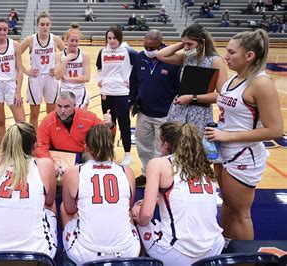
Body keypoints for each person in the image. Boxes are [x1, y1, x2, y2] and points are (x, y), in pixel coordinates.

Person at [205, 29, 283, 240]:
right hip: (224, 151)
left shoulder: (261, 83)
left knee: (240, 214)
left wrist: (226, 136)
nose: (226, 56)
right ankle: (228, 249)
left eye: (231, 52)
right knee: (227, 205)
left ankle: (245, 260)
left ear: (249, 56)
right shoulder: (233, 79)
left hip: (243, 155)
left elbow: (275, 130)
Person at [132, 122, 224, 266]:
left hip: (176, 252)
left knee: (136, 212)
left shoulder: (158, 164)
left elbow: (146, 216)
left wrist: (137, 212)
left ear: (165, 144)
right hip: (214, 249)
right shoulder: (202, 163)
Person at [0, 122, 58, 258]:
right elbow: (49, 200)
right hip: (36, 253)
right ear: (34, 145)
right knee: (51, 205)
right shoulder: (45, 164)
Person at [61, 124, 140, 264]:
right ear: (112, 146)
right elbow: (128, 206)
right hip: (126, 252)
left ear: (86, 146)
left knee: (63, 207)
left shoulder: (73, 172)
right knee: (127, 211)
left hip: (86, 253)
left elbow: (69, 209)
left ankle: (67, 258)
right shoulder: (127, 172)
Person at [156, 23, 228, 134]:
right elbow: (160, 55)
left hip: (199, 113)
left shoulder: (215, 61)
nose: (186, 47)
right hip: (179, 110)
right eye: (184, 44)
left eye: (190, 44)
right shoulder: (187, 57)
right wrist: (183, 43)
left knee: (193, 148)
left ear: (202, 42)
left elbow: (222, 95)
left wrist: (192, 98)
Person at [129, 30, 179, 185]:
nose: (148, 51)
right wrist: (132, 101)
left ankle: (161, 176)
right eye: (146, 47)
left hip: (164, 114)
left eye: (152, 48)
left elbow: (179, 87)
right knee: (143, 145)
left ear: (160, 44)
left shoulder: (172, 59)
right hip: (143, 111)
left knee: (162, 148)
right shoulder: (140, 57)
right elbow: (134, 81)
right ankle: (146, 172)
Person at [96, 25, 138, 165]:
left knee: (124, 124)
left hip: (122, 93)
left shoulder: (129, 51)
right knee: (108, 124)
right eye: (109, 38)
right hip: (107, 93)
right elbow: (100, 69)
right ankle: (108, 152)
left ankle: (127, 154)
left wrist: (132, 83)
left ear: (120, 38)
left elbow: (139, 69)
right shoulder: (103, 52)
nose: (112, 41)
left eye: (114, 38)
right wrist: (100, 80)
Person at [35, 91, 115, 160]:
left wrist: (110, 126)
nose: (62, 111)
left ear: (74, 105)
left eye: (66, 107)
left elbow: (105, 136)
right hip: (58, 156)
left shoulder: (88, 117)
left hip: (82, 156)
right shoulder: (48, 121)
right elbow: (40, 146)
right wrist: (50, 163)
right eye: (59, 106)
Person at [20, 12, 65, 129]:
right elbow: (15, 55)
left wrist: (58, 68)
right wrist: (26, 71)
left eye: (47, 24)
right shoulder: (30, 40)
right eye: (42, 24)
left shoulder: (55, 39)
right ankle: (33, 139)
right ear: (37, 25)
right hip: (36, 78)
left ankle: (50, 137)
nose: (45, 27)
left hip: (51, 78)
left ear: (50, 25)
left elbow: (67, 55)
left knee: (51, 113)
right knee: (34, 113)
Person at [54, 24, 91, 109]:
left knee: (81, 119)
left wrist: (69, 79)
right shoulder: (60, 55)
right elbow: (57, 76)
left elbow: (87, 78)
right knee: (64, 118)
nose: (74, 43)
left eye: (76, 41)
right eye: (72, 40)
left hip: (80, 90)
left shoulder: (84, 56)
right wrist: (65, 60)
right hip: (65, 90)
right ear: (66, 40)